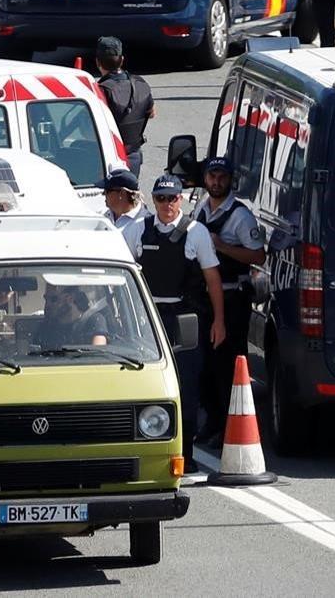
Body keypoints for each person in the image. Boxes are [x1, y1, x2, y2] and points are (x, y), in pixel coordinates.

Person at [122, 175, 226, 473]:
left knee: (187, 386)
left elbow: (213, 280)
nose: (167, 205)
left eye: (173, 198)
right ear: (153, 201)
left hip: (186, 319)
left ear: (181, 199)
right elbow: (124, 277)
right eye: (161, 199)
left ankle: (186, 455)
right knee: (146, 385)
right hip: (149, 319)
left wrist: (219, 321)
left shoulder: (196, 233)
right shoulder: (137, 230)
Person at [193, 157, 266, 448]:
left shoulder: (240, 216)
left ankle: (228, 426)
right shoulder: (201, 207)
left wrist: (222, 246)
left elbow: (258, 256)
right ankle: (211, 422)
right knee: (205, 366)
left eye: (222, 177)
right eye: (212, 176)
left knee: (227, 365)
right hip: (204, 297)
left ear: (230, 179)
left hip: (232, 296)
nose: (216, 182)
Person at [95, 36, 155, 178]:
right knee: (130, 195)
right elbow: (152, 112)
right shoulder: (140, 84)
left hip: (109, 157)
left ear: (97, 62)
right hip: (133, 155)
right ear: (122, 60)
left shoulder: (100, 90)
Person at [34, 285, 109, 349]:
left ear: (70, 299)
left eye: (54, 299)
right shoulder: (46, 328)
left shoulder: (94, 321)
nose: (47, 305)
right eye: (46, 299)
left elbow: (99, 354)